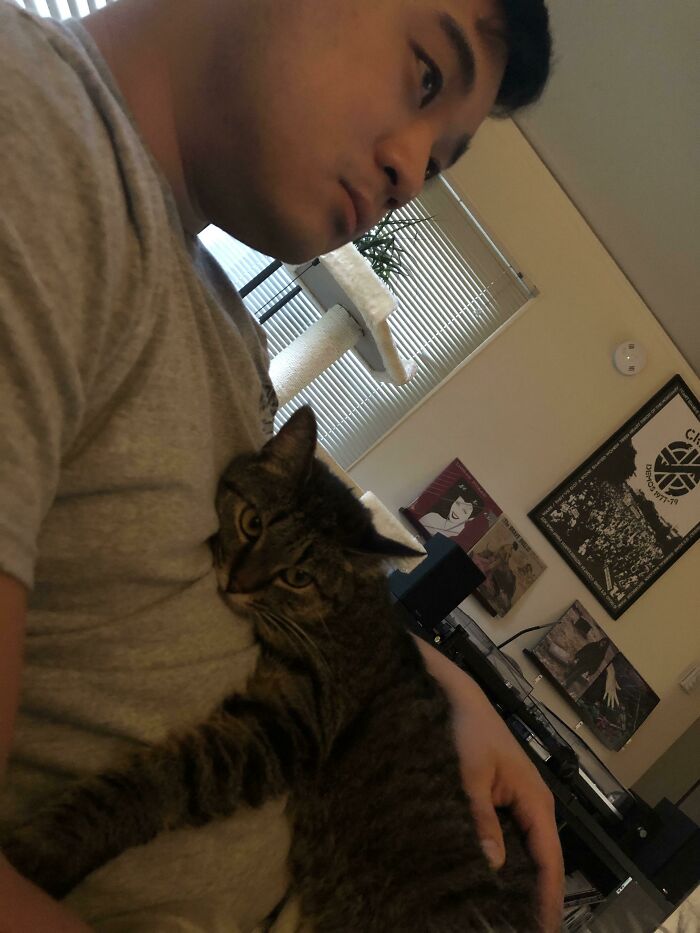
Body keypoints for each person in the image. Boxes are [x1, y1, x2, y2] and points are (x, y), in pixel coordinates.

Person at [0, 0, 563, 930]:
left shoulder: (225, 323)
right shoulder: (37, 140)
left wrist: (438, 683)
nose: (414, 171)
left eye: (443, 158)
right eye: (426, 73)